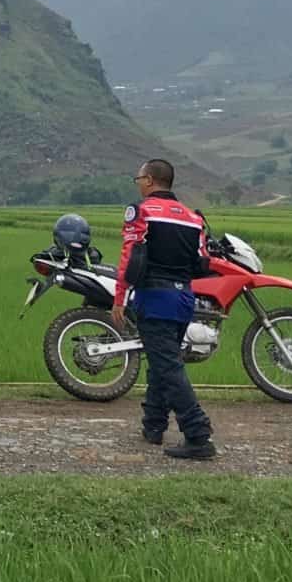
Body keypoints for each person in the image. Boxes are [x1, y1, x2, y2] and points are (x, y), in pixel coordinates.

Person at [112, 158, 216, 460]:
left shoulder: (141, 211)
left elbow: (129, 256)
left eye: (139, 178)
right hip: (183, 299)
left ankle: (198, 434)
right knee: (161, 362)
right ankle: (153, 425)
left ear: (150, 180)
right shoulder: (192, 217)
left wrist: (119, 298)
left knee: (168, 366)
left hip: (154, 299)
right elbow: (201, 262)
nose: (138, 183)